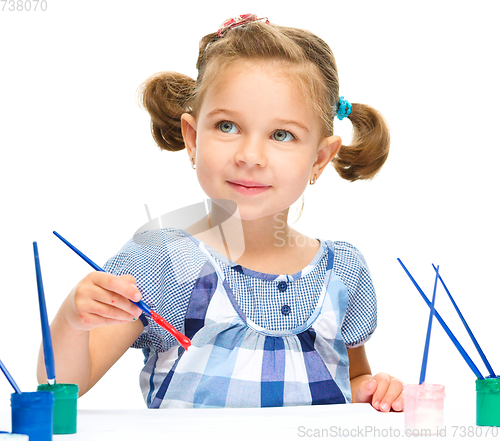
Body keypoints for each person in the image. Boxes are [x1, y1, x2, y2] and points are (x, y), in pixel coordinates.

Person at [38, 14, 403, 412]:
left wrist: (371, 388)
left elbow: (350, 378)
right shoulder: (164, 262)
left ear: (320, 158)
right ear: (193, 139)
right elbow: (66, 384)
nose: (249, 156)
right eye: (227, 126)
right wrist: (73, 321)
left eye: (282, 135)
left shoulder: (343, 271)